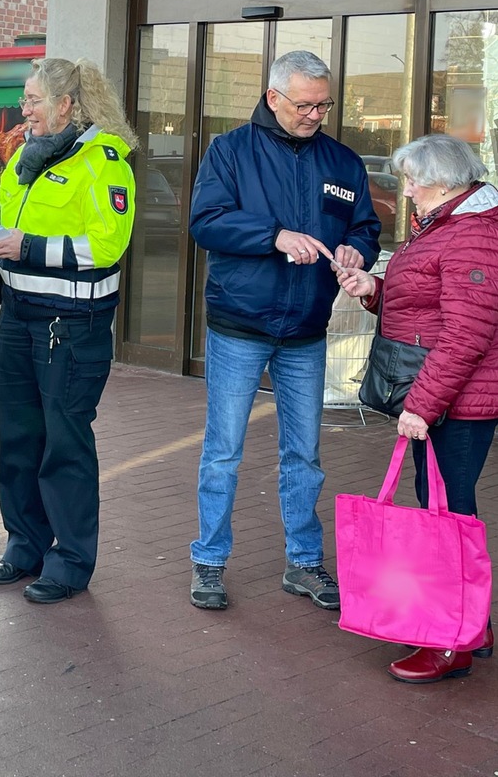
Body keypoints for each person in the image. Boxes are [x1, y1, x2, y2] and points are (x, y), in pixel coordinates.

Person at [189, 50, 380, 613]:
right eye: (305, 104)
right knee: (223, 452)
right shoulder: (229, 151)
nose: (316, 114)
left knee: (305, 454)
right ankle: (209, 561)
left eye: (324, 104)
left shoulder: (342, 162)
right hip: (239, 325)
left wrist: (357, 248)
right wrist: (273, 236)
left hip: (305, 329)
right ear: (274, 98)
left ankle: (304, 563)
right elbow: (206, 221)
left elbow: (365, 226)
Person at [0, 58, 136, 604]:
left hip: (71, 326)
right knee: (18, 439)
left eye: (32, 100)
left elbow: (106, 247)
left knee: (65, 445)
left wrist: (28, 249)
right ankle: (24, 545)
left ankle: (71, 561)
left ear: (66, 106)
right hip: (17, 316)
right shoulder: (27, 158)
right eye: (24, 100)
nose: (22, 109)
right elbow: (10, 219)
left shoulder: (105, 163)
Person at [337, 133, 498, 683]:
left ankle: (450, 640)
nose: (405, 191)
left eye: (413, 180)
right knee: (446, 506)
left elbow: (466, 335)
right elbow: (428, 302)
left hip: (458, 402)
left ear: (447, 181)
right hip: (446, 394)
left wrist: (422, 407)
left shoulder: (472, 233)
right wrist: (375, 289)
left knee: (448, 515)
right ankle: (469, 624)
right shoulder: (447, 224)